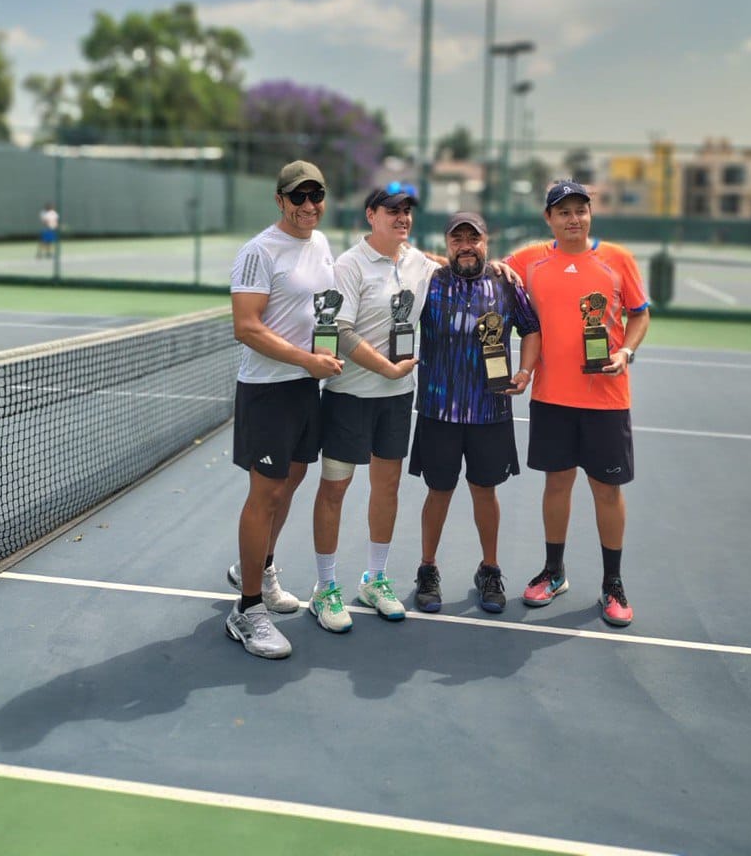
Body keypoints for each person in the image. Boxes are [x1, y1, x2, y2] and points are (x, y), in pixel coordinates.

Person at [504, 179, 649, 627]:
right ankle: (554, 571)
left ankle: (613, 582)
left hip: (606, 399)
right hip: (551, 397)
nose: (573, 219)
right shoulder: (529, 261)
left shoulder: (617, 259)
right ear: (549, 219)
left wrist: (627, 351)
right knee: (557, 485)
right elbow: (479, 267)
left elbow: (640, 313)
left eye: (580, 210)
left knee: (607, 490)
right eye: (563, 211)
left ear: (590, 215)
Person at [224, 160, 343, 660]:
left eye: (316, 196)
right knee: (265, 494)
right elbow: (246, 327)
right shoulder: (258, 251)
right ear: (280, 201)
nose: (309, 206)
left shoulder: (320, 244)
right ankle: (247, 610)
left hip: (304, 390)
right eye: (299, 197)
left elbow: (324, 311)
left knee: (290, 482)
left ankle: (263, 569)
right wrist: (307, 360)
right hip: (269, 391)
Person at [309, 184, 440, 633]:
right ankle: (325, 588)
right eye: (392, 210)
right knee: (334, 491)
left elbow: (456, 267)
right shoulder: (348, 265)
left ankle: (375, 579)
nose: (402, 218)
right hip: (349, 397)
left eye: (407, 211)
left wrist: (503, 268)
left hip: (397, 399)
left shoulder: (419, 263)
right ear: (371, 215)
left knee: (387, 488)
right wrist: (385, 367)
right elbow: (340, 330)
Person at [409, 211, 540, 615]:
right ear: (447, 244)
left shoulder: (505, 282)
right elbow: (399, 251)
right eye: (457, 239)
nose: (466, 246)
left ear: (487, 241)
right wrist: (430, 258)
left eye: (474, 238)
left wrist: (525, 371)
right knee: (439, 492)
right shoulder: (429, 281)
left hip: (490, 409)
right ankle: (427, 569)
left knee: (485, 490)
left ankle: (489, 569)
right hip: (438, 410)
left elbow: (531, 328)